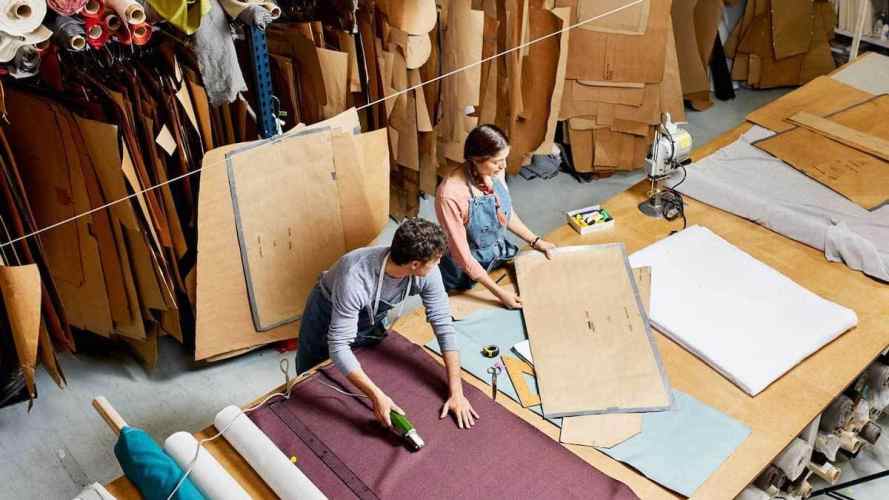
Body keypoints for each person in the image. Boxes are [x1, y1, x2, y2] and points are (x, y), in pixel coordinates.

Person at [296, 218, 479, 429]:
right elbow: (338, 346)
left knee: (366, 365)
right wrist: (376, 396)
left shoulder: (427, 272)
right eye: (436, 260)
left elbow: (443, 325)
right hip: (326, 314)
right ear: (415, 264)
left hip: (371, 314)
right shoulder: (355, 279)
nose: (439, 263)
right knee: (310, 382)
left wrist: (456, 392)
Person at [435, 124, 557, 309]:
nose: (504, 166)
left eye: (505, 159)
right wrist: (501, 295)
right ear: (475, 159)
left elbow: (505, 213)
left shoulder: (493, 171)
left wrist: (536, 241)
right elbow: (464, 257)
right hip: (464, 271)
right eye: (497, 161)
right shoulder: (450, 195)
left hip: (496, 255)